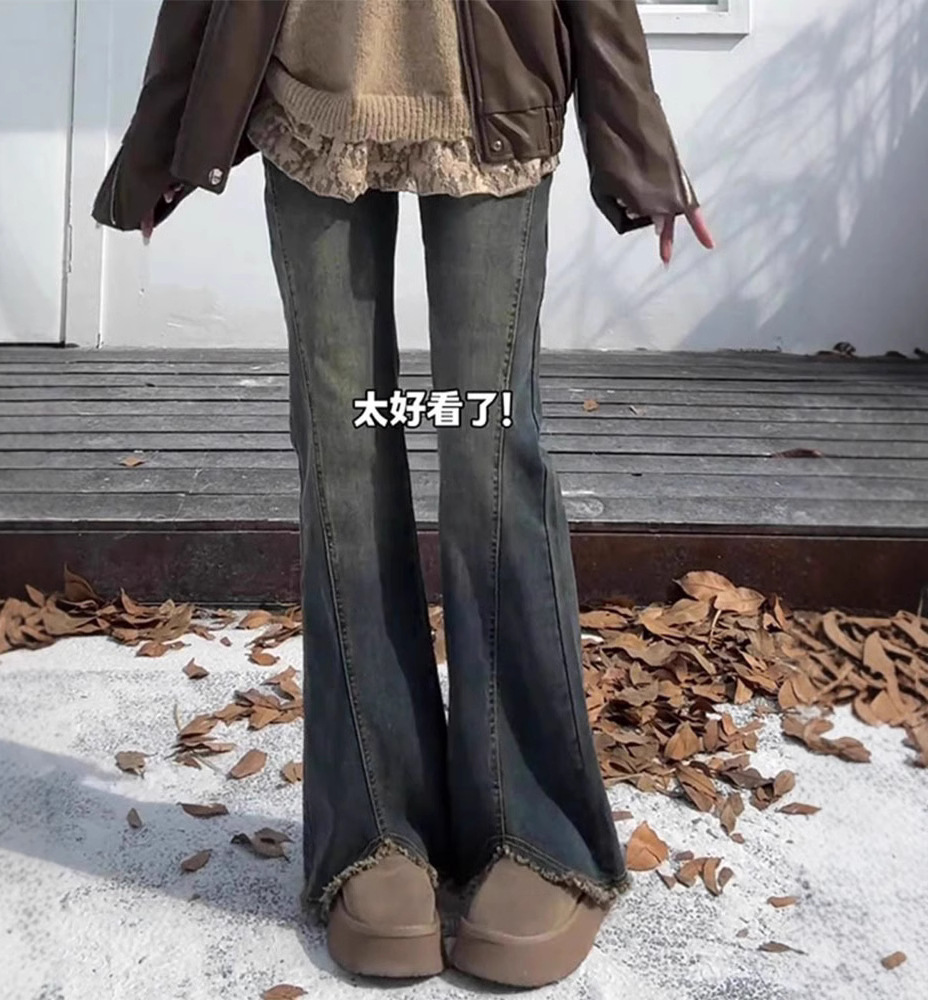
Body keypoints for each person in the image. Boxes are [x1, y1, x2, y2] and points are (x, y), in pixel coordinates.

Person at [94, 0, 714, 988]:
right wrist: (167, 133)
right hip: (309, 98)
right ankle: (373, 823)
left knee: (489, 457)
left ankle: (537, 826)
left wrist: (637, 145)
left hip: (493, 101)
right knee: (342, 464)